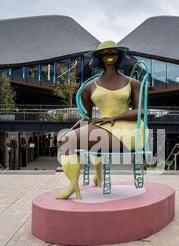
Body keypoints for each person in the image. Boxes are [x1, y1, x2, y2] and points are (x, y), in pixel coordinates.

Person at [56, 40, 144, 200]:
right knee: (66, 140)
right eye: (105, 54)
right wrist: (71, 129)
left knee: (88, 139)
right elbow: (87, 117)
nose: (109, 56)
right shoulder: (89, 87)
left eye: (113, 53)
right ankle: (73, 184)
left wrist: (113, 118)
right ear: (99, 57)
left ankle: (90, 178)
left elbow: (140, 112)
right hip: (102, 126)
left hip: (128, 129)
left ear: (119, 56)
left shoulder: (133, 83)